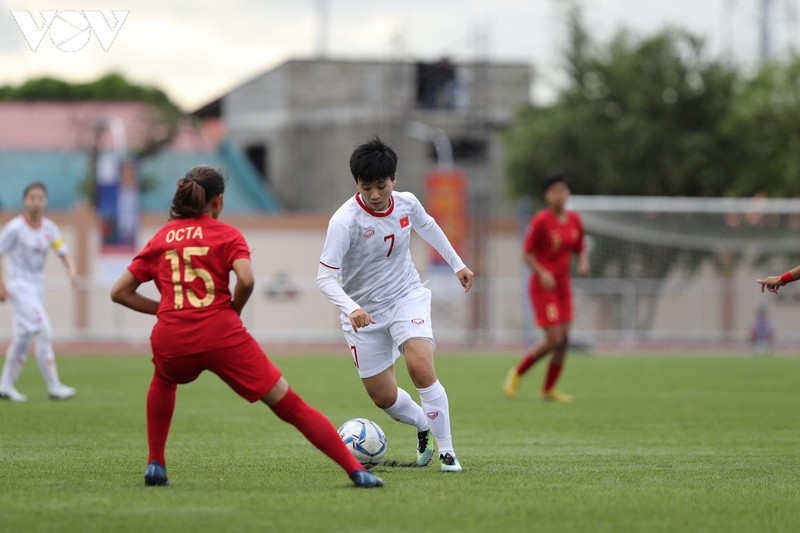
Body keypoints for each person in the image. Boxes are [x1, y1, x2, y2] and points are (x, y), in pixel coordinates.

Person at [110, 166, 383, 488]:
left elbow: (119, 292)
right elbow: (247, 279)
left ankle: (155, 463)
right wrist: (234, 310)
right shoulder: (226, 234)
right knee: (290, 405)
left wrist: (167, 310)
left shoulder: (161, 238)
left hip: (172, 337)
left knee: (164, 379)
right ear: (218, 201)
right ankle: (357, 471)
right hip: (221, 333)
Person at [317, 137, 474, 473]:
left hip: (406, 297)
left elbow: (428, 226)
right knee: (383, 398)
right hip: (363, 314)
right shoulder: (344, 221)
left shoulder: (406, 204)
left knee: (420, 368)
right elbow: (325, 278)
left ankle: (447, 453)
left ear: (394, 179)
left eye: (381, 185)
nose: (375, 195)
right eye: (366, 186)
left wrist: (457, 264)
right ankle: (423, 426)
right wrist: (351, 308)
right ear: (356, 184)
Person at [503, 173, 589, 403]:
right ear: (547, 195)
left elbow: (580, 247)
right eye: (554, 191)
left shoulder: (574, 220)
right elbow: (526, 254)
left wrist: (582, 262)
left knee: (565, 340)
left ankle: (549, 389)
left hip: (564, 287)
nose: (559, 195)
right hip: (543, 287)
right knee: (554, 339)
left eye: (563, 190)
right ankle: (517, 372)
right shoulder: (541, 221)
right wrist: (543, 272)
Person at [0, 182, 78, 402]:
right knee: (43, 330)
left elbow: (62, 249)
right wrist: (2, 286)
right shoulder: (15, 228)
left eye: (40, 198)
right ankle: (54, 386)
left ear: (45, 201)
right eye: (32, 198)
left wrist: (71, 271)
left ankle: (5, 385)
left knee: (24, 336)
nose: (36, 202)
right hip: (18, 284)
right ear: (25, 201)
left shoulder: (50, 228)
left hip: (36, 286)